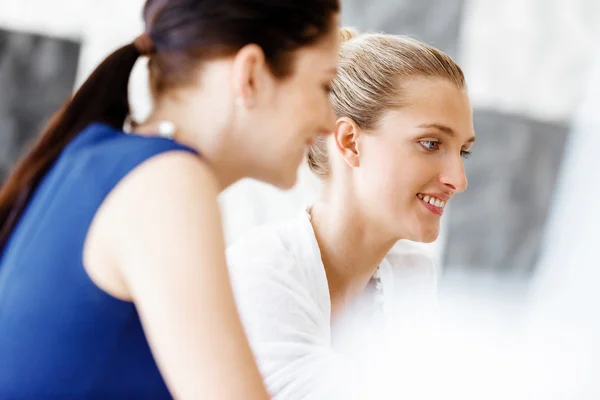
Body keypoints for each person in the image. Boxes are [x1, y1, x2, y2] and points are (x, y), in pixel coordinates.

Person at [0, 0, 340, 398]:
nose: (329, 121)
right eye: (325, 86)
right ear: (250, 75)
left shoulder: (97, 157)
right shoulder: (167, 182)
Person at [226, 28, 476, 399]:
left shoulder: (413, 275)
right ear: (349, 142)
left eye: (463, 151)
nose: (458, 179)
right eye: (430, 143)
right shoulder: (265, 272)